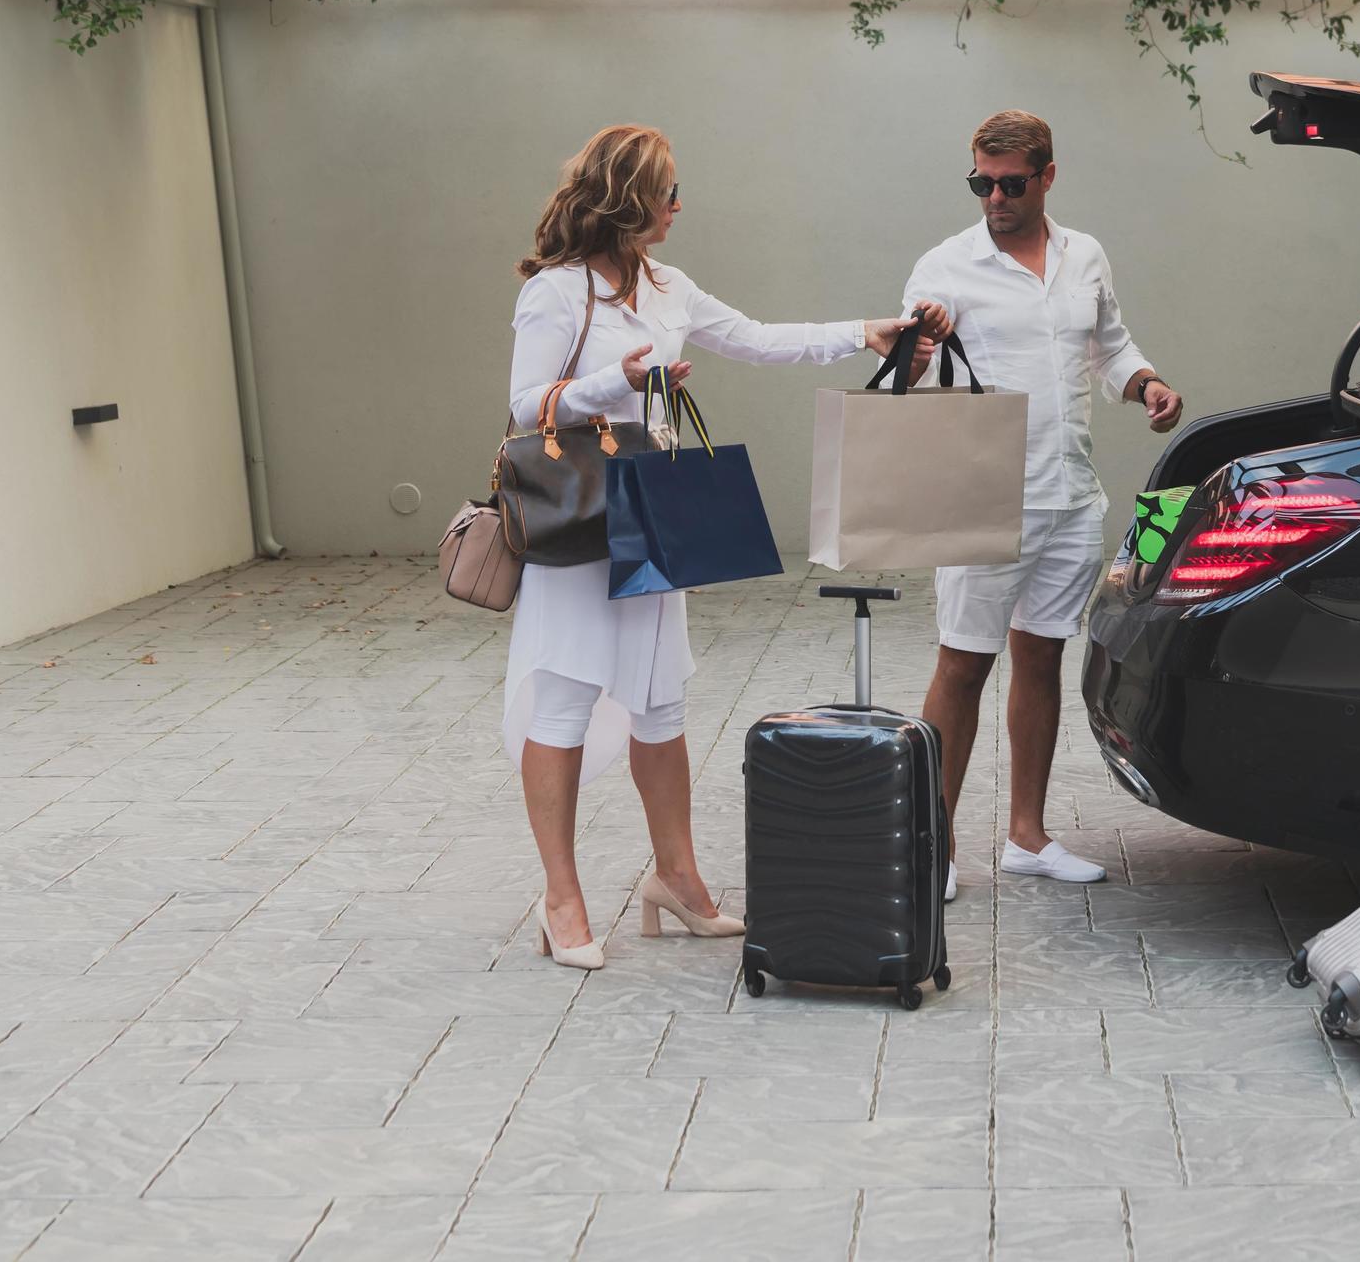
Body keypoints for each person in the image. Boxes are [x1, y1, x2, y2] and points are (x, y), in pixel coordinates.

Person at [503, 124, 949, 969]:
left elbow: (756, 337)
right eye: (668, 192)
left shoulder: (668, 285)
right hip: (579, 521)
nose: (679, 206)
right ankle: (560, 897)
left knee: (661, 703)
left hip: (651, 510)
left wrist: (866, 332)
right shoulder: (556, 293)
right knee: (563, 704)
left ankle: (676, 877)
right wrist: (618, 383)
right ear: (631, 199)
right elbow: (526, 406)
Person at [901, 111, 1181, 899]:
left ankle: (1027, 835)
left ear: (1047, 175)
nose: (994, 196)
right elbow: (913, 369)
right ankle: (937, 846)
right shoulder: (945, 266)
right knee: (961, 664)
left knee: (1043, 654)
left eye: (1011, 183)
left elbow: (1110, 346)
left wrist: (1146, 384)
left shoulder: (1084, 254)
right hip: (984, 493)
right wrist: (921, 342)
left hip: (1069, 492)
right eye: (981, 182)